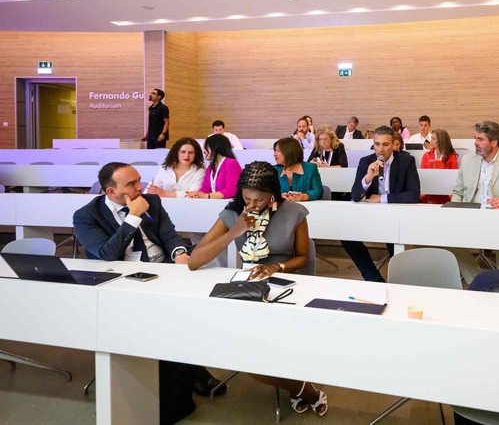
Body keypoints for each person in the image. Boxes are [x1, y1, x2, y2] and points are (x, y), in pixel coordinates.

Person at [73, 163, 223, 421]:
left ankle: (188, 373)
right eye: (131, 184)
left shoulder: (152, 201)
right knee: (164, 325)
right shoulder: (87, 215)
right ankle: (186, 378)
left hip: (163, 270)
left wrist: (179, 253)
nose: (139, 188)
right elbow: (107, 254)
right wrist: (132, 217)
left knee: (188, 312)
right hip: (123, 282)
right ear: (111, 192)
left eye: (139, 180)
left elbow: (169, 235)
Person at [187, 161, 327, 416]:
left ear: (272, 193)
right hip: (249, 288)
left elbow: (303, 257)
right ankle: (302, 388)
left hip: (287, 285)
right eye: (247, 198)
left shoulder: (294, 212)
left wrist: (277, 267)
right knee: (242, 351)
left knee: (263, 347)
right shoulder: (233, 213)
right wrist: (235, 231)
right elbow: (194, 261)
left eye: (260, 199)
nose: (252, 204)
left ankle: (295, 381)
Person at [450, 121, 499, 283]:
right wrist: (456, 209)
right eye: (475, 138)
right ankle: (477, 280)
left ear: (494, 142)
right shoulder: (468, 161)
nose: (475, 143)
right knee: (448, 238)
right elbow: (457, 192)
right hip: (470, 216)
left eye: (480, 139)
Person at [343, 125, 420, 282]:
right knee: (346, 235)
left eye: (385, 144)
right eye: (377, 144)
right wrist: (367, 178)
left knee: (394, 240)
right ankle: (373, 278)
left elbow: (413, 195)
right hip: (372, 215)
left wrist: (383, 198)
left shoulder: (406, 161)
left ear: (393, 145)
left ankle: (400, 280)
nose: (381, 149)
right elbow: (355, 195)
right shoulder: (366, 162)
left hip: (397, 215)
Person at [187, 134, 242, 200]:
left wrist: (207, 196)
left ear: (215, 147)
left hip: (229, 204)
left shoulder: (231, 163)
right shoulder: (210, 167)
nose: (204, 151)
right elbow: (205, 188)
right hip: (215, 203)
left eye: (206, 148)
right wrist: (198, 194)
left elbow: (232, 190)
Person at [273, 137, 323, 201]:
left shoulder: (311, 168)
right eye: (275, 151)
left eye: (278, 151)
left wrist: (304, 196)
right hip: (282, 206)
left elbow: (318, 191)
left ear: (289, 152)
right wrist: (279, 196)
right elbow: (267, 193)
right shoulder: (274, 170)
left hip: (305, 206)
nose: (274, 154)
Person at [420, 128, 459, 204]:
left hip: (446, 192)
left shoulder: (451, 157)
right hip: (429, 191)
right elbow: (423, 176)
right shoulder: (426, 155)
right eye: (431, 138)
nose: (430, 141)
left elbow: (454, 178)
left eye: (433, 139)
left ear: (441, 141)